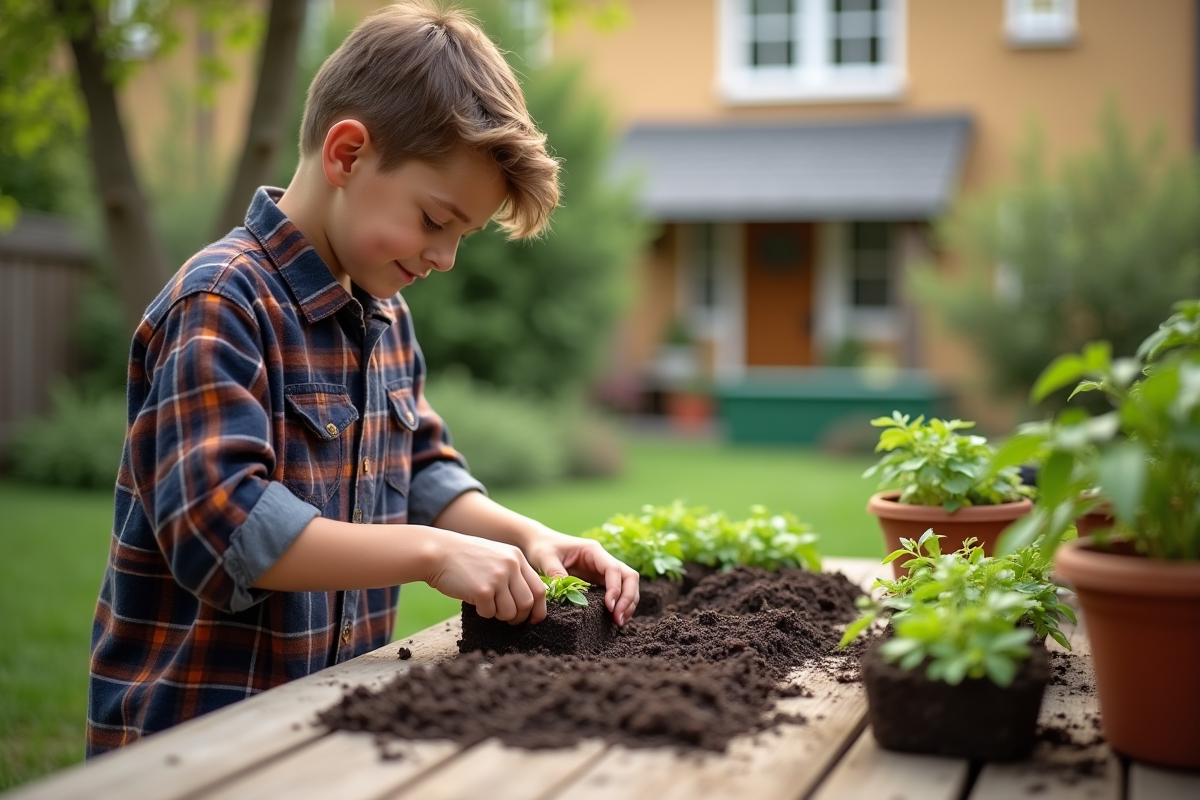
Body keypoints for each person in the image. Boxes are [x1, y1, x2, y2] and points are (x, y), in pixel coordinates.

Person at [86, 0, 639, 757]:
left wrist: (532, 536)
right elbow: (226, 531)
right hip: (194, 745)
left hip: (327, 733)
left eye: (462, 238)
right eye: (435, 221)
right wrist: (432, 555)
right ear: (347, 155)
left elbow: (422, 474)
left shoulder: (383, 313)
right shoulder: (220, 302)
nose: (444, 258)